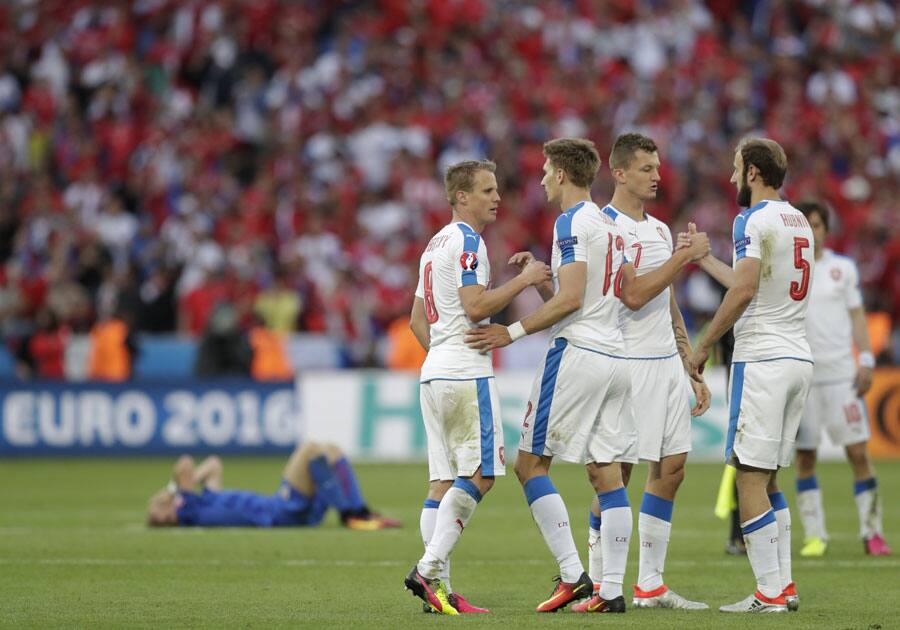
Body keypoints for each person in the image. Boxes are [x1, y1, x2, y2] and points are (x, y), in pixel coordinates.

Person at [465, 138, 709, 614]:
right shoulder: (609, 226)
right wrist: (541, 282)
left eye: (543, 171)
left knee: (529, 465)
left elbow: (574, 301)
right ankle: (612, 591)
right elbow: (600, 294)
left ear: (560, 174)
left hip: (578, 353)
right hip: (618, 358)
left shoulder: (572, 221)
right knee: (606, 474)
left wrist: (509, 332)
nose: (539, 180)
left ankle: (575, 575)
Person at [404, 159, 551, 615]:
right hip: (465, 372)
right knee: (483, 474)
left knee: (442, 483)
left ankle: (439, 593)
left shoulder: (434, 244)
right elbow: (474, 306)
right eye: (487, 190)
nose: (497, 198)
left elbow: (414, 319)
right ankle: (427, 570)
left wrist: (442, 356)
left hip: (435, 371)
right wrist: (525, 280)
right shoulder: (468, 241)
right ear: (460, 196)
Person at [576, 133, 711, 612]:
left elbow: (666, 297)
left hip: (664, 366)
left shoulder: (656, 230)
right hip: (626, 365)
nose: (657, 176)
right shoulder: (606, 227)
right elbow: (632, 295)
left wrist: (688, 358)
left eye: (657, 168)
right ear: (618, 173)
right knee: (618, 476)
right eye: (646, 169)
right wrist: (684, 257)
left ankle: (650, 584)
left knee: (671, 469)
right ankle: (595, 581)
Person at [684, 137, 814, 613]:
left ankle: (768, 594)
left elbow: (742, 295)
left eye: (738, 168)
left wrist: (701, 349)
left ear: (755, 172)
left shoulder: (750, 219)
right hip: (797, 357)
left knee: (748, 478)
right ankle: (785, 585)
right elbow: (754, 283)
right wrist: (704, 259)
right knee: (770, 478)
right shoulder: (798, 220)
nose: (734, 178)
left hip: (762, 359)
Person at [793, 201, 890, 557]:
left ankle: (872, 531)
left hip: (841, 376)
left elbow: (858, 317)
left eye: (817, 225)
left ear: (825, 230)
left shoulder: (842, 269)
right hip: (804, 374)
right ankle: (815, 535)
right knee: (806, 456)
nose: (812, 231)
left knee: (858, 452)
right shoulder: (789, 270)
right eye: (806, 225)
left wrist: (865, 359)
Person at [146, 441, 399, 530]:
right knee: (310, 449)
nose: (165, 514)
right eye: (162, 515)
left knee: (331, 451)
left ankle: (358, 510)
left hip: (281, 509)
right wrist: (171, 492)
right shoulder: (188, 511)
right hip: (279, 512)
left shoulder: (202, 502)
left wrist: (175, 493)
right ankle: (348, 513)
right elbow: (185, 464)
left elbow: (213, 464)